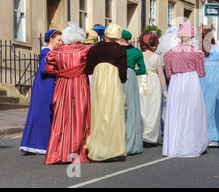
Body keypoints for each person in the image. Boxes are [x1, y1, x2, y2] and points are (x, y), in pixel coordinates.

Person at [43, 23, 91, 165]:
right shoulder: (84, 50)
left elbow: (50, 69)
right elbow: (89, 67)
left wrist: (63, 72)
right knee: (79, 116)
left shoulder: (56, 53)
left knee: (62, 118)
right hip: (79, 84)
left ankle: (57, 153)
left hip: (63, 85)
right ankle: (77, 152)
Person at [162, 23, 209, 157]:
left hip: (176, 82)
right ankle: (191, 144)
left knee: (176, 113)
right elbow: (201, 73)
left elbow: (168, 74)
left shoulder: (169, 53)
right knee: (192, 112)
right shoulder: (197, 53)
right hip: (191, 81)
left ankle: (175, 146)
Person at [84, 23, 128, 162]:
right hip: (112, 82)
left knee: (99, 113)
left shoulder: (95, 48)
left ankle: (99, 145)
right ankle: (113, 148)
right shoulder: (120, 50)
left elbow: (88, 68)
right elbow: (122, 73)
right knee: (113, 112)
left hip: (98, 82)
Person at [20, 30, 62, 155]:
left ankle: (32, 144)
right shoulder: (46, 52)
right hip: (44, 86)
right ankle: (38, 144)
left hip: (46, 84)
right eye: (58, 40)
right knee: (43, 114)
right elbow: (45, 69)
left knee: (42, 113)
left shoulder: (50, 52)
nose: (60, 42)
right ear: (51, 39)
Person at [198, 26, 219, 147]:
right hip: (217, 80)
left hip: (202, 79)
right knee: (217, 108)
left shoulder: (198, 50)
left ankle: (203, 135)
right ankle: (216, 136)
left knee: (203, 107)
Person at [119, 30, 146, 155]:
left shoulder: (116, 50)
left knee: (117, 108)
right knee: (131, 108)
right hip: (130, 78)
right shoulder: (136, 52)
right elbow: (143, 70)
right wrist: (131, 71)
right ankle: (131, 142)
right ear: (129, 39)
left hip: (116, 76)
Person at [139, 31, 166, 148]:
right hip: (153, 80)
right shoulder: (156, 57)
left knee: (142, 105)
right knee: (153, 108)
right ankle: (151, 136)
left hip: (142, 80)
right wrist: (165, 91)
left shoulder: (139, 55)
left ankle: (142, 133)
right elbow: (161, 75)